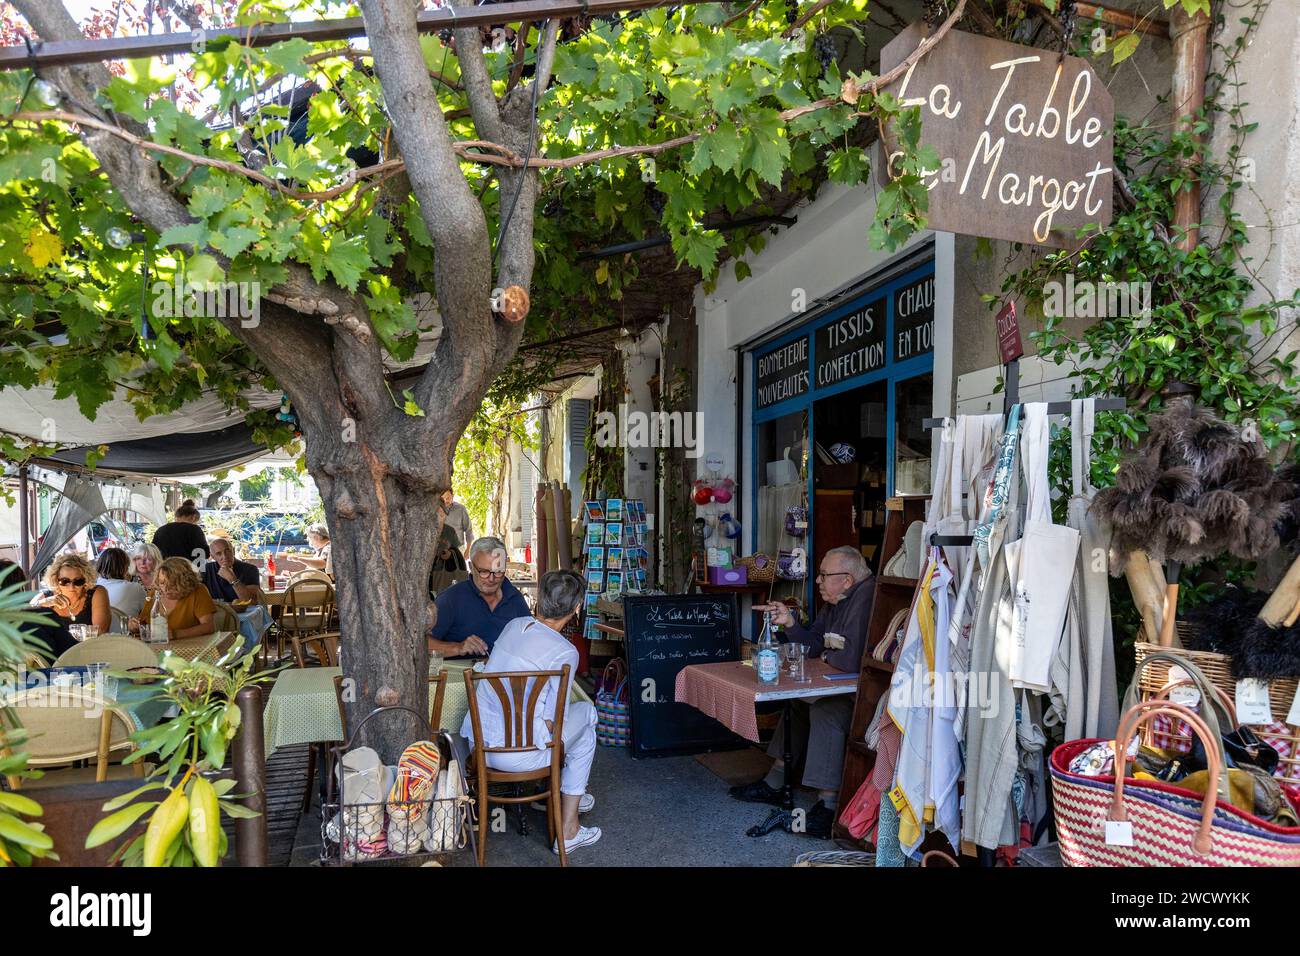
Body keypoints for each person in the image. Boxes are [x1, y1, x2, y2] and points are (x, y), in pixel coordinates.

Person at [733, 545, 877, 838]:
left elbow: (849, 658)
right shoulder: (836, 601)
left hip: (868, 696)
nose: (818, 581)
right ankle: (774, 783)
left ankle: (827, 806)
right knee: (797, 702)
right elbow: (812, 645)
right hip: (841, 683)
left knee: (826, 710)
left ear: (847, 579)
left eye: (824, 575)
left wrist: (824, 655)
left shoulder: (866, 598)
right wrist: (789, 623)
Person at [462, 569, 601, 855]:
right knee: (587, 715)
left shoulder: (515, 625)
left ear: (540, 600)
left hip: (481, 747)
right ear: (576, 609)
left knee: (584, 733)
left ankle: (572, 796)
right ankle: (569, 824)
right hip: (521, 757)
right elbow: (552, 723)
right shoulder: (565, 652)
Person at [429, 536, 529, 658]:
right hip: (461, 676)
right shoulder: (451, 599)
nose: (491, 579)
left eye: (498, 572)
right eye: (484, 572)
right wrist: (458, 647)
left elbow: (532, 640)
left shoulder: (515, 598)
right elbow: (422, 644)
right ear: (471, 567)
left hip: (505, 675)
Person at [0, 559, 74, 659]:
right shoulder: (44, 617)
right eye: (65, 581)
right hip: (50, 673)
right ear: (20, 587)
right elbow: (71, 652)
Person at [136, 557, 216, 640]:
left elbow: (209, 627)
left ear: (185, 582)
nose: (166, 589)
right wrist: (135, 626)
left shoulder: (198, 591)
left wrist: (175, 634)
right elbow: (144, 624)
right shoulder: (154, 593)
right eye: (162, 583)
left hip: (189, 648)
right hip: (157, 647)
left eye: (172, 584)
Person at [36, 553, 111, 636]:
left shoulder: (96, 593)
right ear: (56, 580)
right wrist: (42, 603)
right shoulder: (48, 596)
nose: (71, 587)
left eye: (78, 581)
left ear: (86, 580)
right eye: (65, 581)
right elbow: (21, 614)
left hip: (87, 647)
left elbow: (101, 630)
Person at [203, 536, 261, 603]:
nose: (224, 556)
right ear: (213, 557)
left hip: (247, 612)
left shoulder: (250, 569)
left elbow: (252, 601)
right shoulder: (206, 570)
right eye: (219, 554)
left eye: (227, 551)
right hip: (219, 611)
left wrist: (233, 580)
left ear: (233, 551)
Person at [95, 547, 147, 620]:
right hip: (127, 630)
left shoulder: (94, 588)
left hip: (101, 630)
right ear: (125, 567)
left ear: (100, 565)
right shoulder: (135, 588)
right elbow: (148, 614)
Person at [439, 489, 473, 557]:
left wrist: (468, 549)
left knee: (459, 567)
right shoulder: (437, 509)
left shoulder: (461, 509)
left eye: (448, 498)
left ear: (453, 496)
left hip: (458, 548)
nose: (446, 501)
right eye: (443, 498)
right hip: (440, 549)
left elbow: (468, 530)